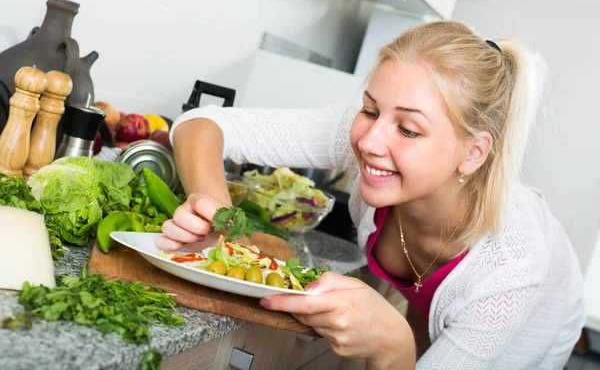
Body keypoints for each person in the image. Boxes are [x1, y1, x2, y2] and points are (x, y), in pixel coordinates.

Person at [158, 21, 585, 369]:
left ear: (473, 153)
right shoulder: (368, 134)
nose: (369, 141)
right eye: (369, 109)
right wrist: (218, 215)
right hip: (436, 295)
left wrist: (393, 349)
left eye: (408, 129)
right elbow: (202, 124)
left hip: (539, 325)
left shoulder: (508, 275)